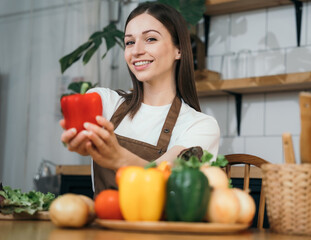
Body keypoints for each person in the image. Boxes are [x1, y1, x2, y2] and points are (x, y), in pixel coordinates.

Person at [60, 2, 220, 196]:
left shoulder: (200, 126)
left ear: (179, 50)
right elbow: (81, 114)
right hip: (102, 224)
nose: (136, 51)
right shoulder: (107, 103)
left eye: (150, 39)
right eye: (129, 42)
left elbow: (169, 179)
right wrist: (81, 139)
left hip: (161, 227)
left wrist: (118, 158)